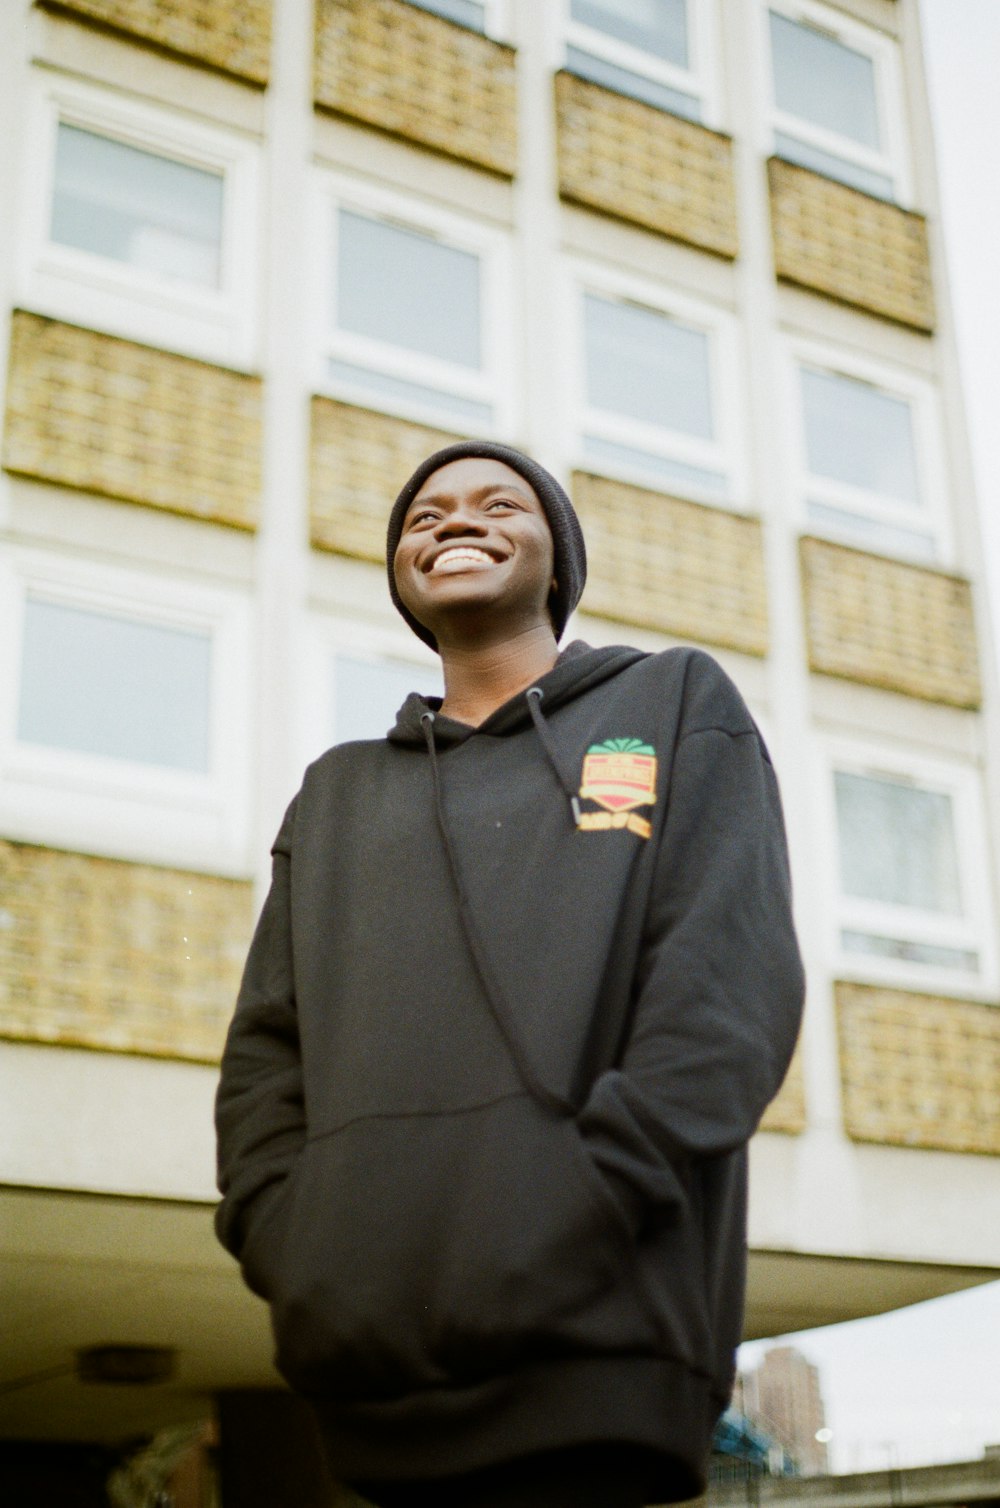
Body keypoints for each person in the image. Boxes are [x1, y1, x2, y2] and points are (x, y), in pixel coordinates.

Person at [214, 440, 805, 1508]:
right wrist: (299, 1242)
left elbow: (725, 987)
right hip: (369, 1369)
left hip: (604, 1353)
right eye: (422, 514)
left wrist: (583, 1195)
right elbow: (266, 1053)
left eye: (498, 502)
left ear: (558, 559)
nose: (452, 521)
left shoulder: (670, 703)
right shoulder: (336, 795)